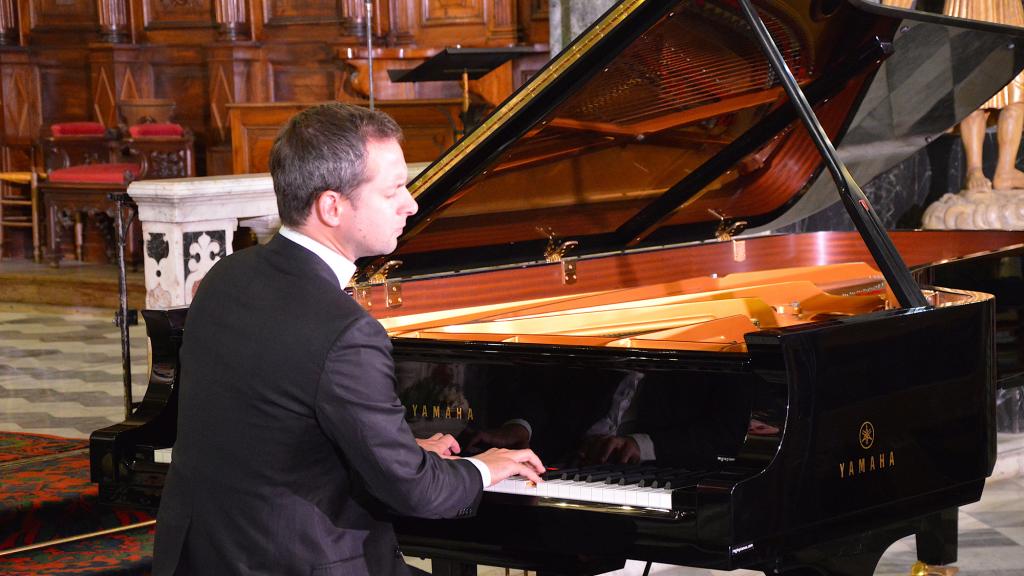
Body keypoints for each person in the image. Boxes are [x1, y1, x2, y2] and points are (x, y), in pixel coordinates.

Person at [152, 103, 544, 576]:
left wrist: (402, 452)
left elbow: (276, 430)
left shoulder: (225, 277)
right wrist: (487, 466)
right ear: (332, 207)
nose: (412, 203)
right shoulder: (346, 333)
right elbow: (416, 492)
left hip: (202, 555)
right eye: (394, 189)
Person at [951, 0, 1024, 191]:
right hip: (970, 6)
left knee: (1017, 90)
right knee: (972, 86)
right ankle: (974, 170)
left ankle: (1006, 171)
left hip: (1008, 8)